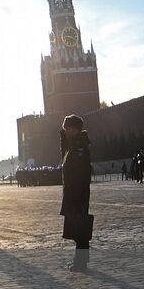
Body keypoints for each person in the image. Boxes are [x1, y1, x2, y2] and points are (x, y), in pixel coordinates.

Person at [60, 114, 93, 271]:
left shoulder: (79, 147)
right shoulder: (73, 145)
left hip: (77, 193)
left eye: (67, 129)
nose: (65, 132)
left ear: (73, 129)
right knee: (78, 228)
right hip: (74, 192)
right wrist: (63, 139)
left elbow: (80, 173)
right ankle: (80, 260)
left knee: (80, 230)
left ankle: (81, 262)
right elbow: (65, 159)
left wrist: (75, 195)